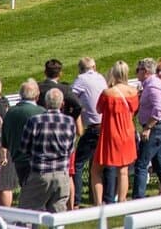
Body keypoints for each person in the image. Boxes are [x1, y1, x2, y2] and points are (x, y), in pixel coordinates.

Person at [19, 88, 75, 212]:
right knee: (58, 216)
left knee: (27, 214)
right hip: (62, 174)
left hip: (40, 173)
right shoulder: (69, 122)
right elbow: (71, 149)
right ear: (62, 104)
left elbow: (24, 147)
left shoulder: (35, 121)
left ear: (45, 103)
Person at [132, 58, 161, 199]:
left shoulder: (152, 87)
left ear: (145, 71)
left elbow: (159, 109)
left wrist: (148, 127)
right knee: (160, 165)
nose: (136, 73)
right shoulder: (156, 84)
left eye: (138, 70)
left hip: (155, 129)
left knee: (141, 164)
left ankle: (138, 200)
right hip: (160, 127)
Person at [94, 61, 138, 204]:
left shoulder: (108, 93)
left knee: (96, 170)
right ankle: (122, 199)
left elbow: (98, 109)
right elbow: (134, 109)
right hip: (127, 133)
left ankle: (99, 203)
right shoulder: (133, 92)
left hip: (111, 133)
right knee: (123, 171)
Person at [71, 56, 107, 208]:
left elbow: (69, 98)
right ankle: (106, 198)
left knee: (78, 164)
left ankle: (76, 201)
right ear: (95, 67)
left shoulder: (81, 79)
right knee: (102, 164)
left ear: (80, 69)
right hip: (104, 127)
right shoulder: (101, 78)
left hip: (93, 128)